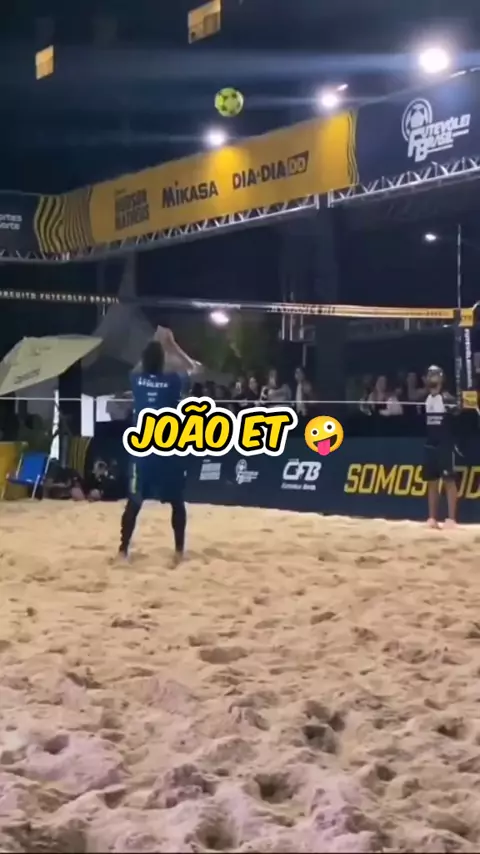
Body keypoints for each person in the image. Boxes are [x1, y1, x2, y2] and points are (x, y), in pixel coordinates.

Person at [118, 326, 199, 564]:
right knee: (177, 502)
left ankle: (123, 550)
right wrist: (171, 345)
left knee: (134, 503)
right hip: (168, 453)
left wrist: (155, 340)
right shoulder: (172, 382)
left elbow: (139, 366)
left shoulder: (137, 380)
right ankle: (179, 551)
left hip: (142, 453)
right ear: (163, 362)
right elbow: (192, 368)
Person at [422, 364, 458, 529]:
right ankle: (432, 518)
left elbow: (458, 411)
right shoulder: (427, 399)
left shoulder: (446, 398)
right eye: (430, 375)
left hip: (445, 444)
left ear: (441, 378)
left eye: (434, 374)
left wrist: (460, 404)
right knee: (432, 482)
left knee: (449, 480)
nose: (431, 377)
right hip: (431, 444)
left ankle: (451, 519)